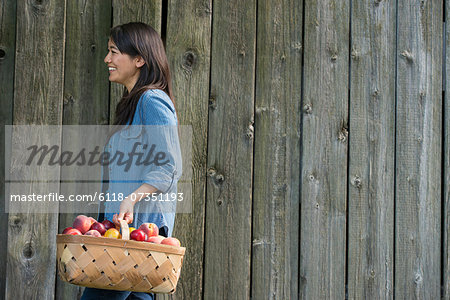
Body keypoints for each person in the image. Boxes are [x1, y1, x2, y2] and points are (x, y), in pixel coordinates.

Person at [81, 22, 182, 300]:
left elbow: (169, 165)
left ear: (139, 59)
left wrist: (131, 200)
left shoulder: (152, 101)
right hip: (125, 237)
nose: (107, 59)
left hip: (133, 239)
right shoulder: (133, 104)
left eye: (114, 52)